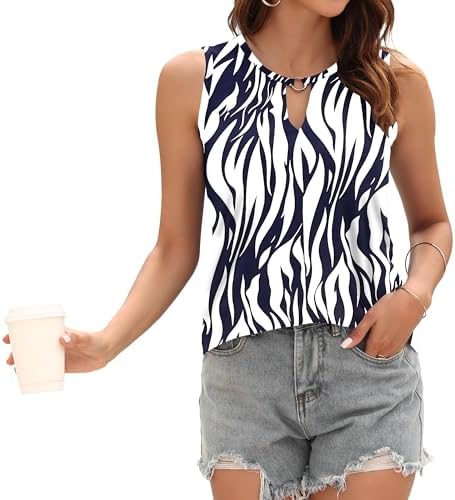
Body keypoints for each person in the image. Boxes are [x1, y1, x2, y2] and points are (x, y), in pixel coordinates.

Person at [4, 0, 452, 498]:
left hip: (366, 364)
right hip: (245, 378)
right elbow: (175, 248)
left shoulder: (394, 79)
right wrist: (107, 344)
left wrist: (415, 295)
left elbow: (432, 223)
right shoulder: (193, 81)